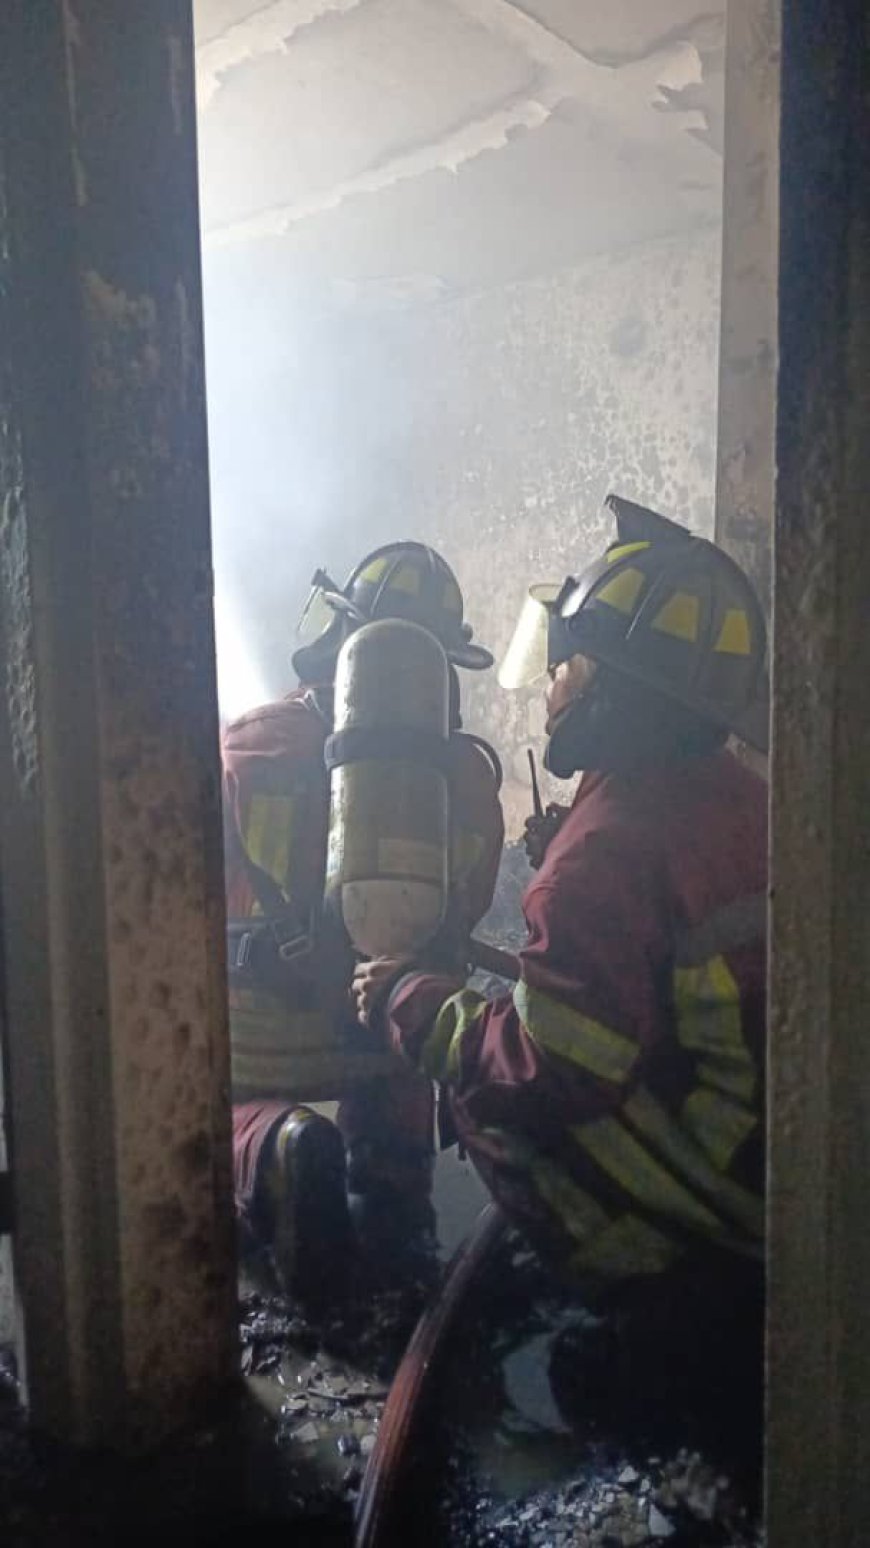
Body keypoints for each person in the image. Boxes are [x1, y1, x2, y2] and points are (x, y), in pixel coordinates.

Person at [353, 498, 768, 1328]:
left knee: (486, 1099)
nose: (550, 683)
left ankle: (636, 1287)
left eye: (567, 665)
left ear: (617, 693)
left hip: (732, 1213)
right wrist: (565, 857)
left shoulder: (604, 857)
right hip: (776, 1151)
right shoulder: (735, 794)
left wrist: (412, 998)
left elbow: (551, 1070)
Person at [224, 541, 504, 1294]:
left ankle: (276, 1146)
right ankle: (398, 1215)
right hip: (385, 1029)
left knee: (210, 1100)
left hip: (258, 1034)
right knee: (401, 1034)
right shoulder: (468, 775)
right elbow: (463, 908)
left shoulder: (246, 743)